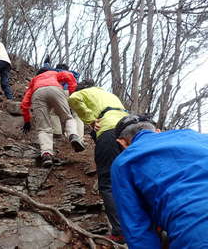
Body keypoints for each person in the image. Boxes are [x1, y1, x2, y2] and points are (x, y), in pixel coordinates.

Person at [112, 115, 208, 249]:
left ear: (122, 142)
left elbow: (137, 230)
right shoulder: (196, 136)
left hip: (197, 234)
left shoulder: (124, 161)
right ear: (157, 131)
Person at [68, 79, 128, 242]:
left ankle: (119, 231)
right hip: (128, 133)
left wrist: (90, 119)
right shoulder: (110, 95)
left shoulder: (85, 92)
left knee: (107, 182)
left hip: (108, 131)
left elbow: (73, 99)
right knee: (130, 180)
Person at [20, 68, 85, 168]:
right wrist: (72, 94)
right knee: (67, 118)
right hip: (55, 89)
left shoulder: (34, 80)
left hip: (37, 93)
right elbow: (69, 76)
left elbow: (24, 103)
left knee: (43, 128)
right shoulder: (54, 73)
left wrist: (27, 121)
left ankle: (46, 155)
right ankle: (73, 135)